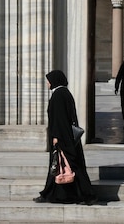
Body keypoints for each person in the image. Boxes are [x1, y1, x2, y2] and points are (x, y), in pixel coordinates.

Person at [33, 70, 97, 205]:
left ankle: (87, 195)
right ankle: (55, 194)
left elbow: (60, 119)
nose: (47, 83)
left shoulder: (59, 95)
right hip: (66, 137)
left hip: (63, 138)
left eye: (49, 80)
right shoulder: (64, 93)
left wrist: (56, 137)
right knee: (62, 166)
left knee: (68, 166)